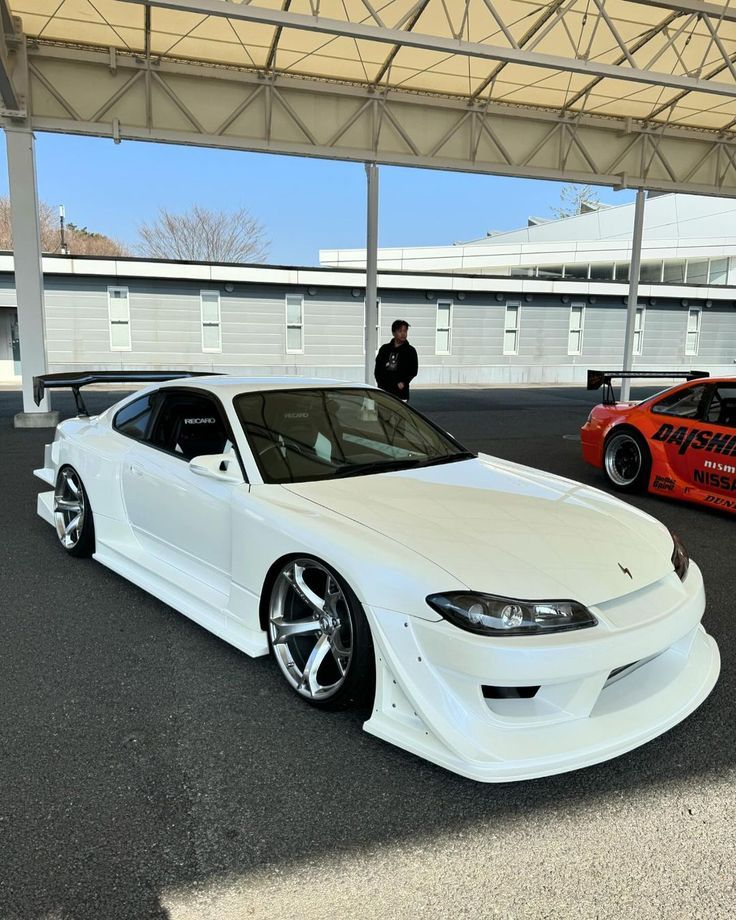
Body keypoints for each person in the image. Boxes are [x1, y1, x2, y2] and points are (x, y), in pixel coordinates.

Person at [374, 319, 418, 401]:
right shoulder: (385, 349)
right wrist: (380, 384)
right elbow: (378, 370)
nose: (403, 334)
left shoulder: (410, 351)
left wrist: (404, 382)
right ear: (394, 333)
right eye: (400, 331)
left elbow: (413, 371)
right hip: (384, 391)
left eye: (405, 331)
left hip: (401, 393)